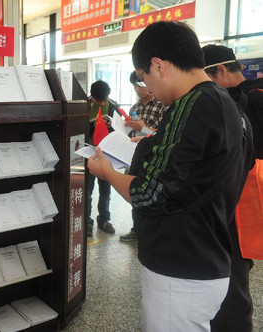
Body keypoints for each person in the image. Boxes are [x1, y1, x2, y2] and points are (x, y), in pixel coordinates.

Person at [87, 21, 253, 332]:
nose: (147, 87)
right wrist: (150, 144)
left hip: (181, 267)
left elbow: (148, 194)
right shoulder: (225, 103)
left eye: (143, 77)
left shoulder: (191, 106)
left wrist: (106, 171)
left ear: (158, 65)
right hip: (208, 255)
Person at [202, 44, 263, 332]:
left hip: (242, 203)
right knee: (237, 268)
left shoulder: (248, 102)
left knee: (234, 276)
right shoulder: (251, 96)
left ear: (222, 71)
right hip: (242, 202)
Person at [120, 71, 167, 242]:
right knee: (135, 190)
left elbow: (164, 135)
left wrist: (143, 128)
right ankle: (136, 229)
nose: (138, 90)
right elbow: (132, 132)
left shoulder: (162, 105)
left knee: (152, 195)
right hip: (136, 156)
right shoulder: (135, 108)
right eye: (134, 86)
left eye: (140, 85)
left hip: (156, 158)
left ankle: (151, 230)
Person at [87, 80, 118, 235]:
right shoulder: (84, 106)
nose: (103, 103)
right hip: (89, 156)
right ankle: (86, 222)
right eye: (100, 101)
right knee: (87, 191)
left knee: (105, 191)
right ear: (92, 97)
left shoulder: (112, 106)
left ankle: (104, 220)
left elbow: (118, 129)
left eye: (105, 99)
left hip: (106, 155)